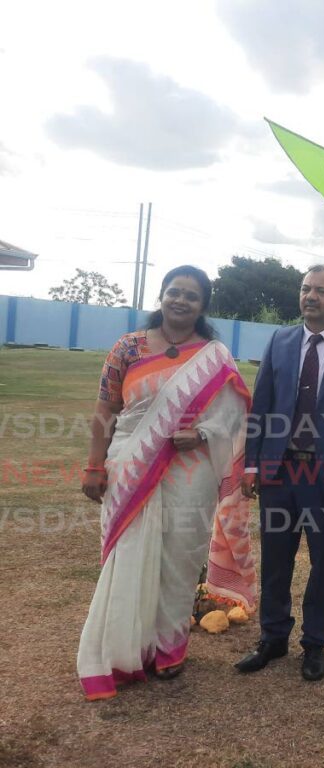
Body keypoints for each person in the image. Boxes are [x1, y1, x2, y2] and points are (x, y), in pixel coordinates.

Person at [77, 265, 257, 700]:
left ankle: (170, 648)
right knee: (130, 553)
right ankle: (126, 650)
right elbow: (106, 409)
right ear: (161, 296)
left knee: (180, 556)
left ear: (202, 306)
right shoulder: (128, 347)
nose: (180, 301)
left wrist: (202, 434)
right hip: (129, 464)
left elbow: (234, 414)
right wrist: (94, 466)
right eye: (174, 292)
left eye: (191, 296)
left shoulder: (214, 355)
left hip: (190, 469)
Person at [236, 265, 324, 682]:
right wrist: (251, 463)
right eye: (305, 289)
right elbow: (261, 407)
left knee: (323, 563)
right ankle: (273, 636)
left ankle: (316, 644)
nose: (310, 296)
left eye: (321, 290)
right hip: (279, 472)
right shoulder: (280, 340)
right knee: (276, 559)